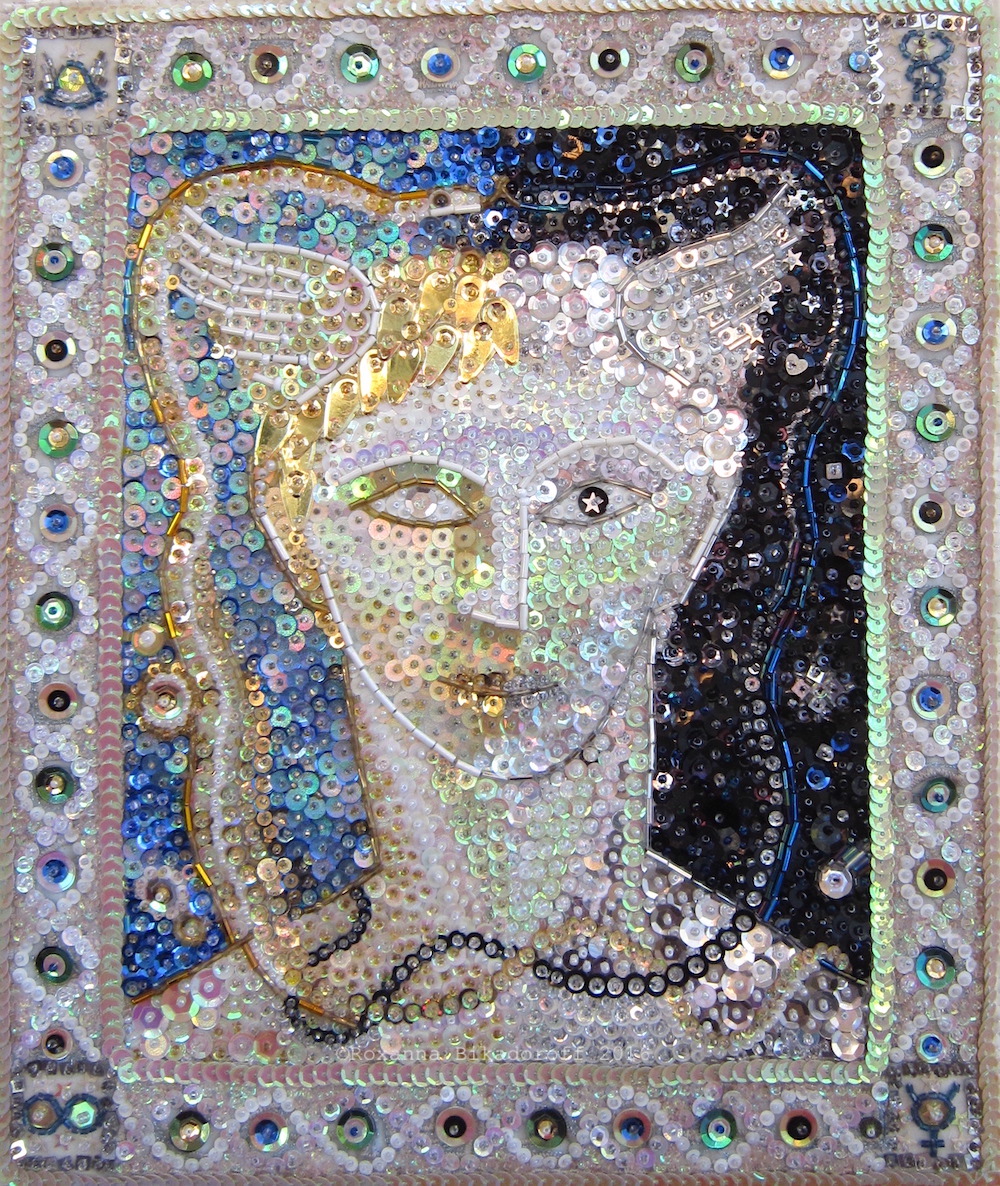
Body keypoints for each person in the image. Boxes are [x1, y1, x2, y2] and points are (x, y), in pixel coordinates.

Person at [133, 124, 866, 1049]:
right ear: (297, 535)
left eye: (593, 500)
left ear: (697, 530)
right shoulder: (192, 1051)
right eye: (419, 503)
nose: (502, 603)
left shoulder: (813, 1031)